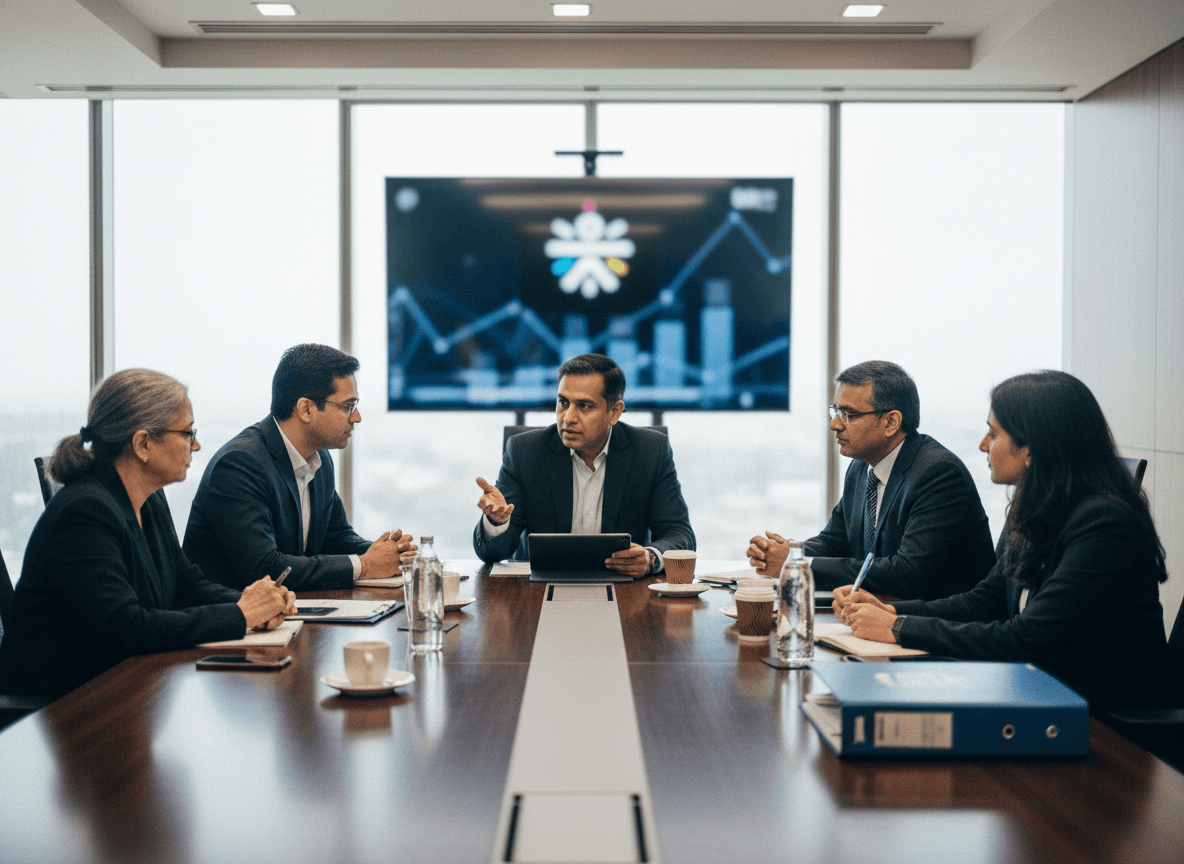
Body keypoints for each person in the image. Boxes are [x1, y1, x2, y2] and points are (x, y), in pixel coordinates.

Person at [834, 370, 1170, 710]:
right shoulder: (1035, 505)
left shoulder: (1105, 524)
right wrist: (890, 610)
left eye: (993, 434)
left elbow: (1024, 639)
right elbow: (986, 601)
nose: (983, 445)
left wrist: (897, 627)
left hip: (1104, 724)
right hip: (1039, 692)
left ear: (1032, 448)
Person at [0, 369, 295, 700]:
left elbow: (187, 586)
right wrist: (241, 615)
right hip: (60, 711)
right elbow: (127, 627)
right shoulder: (84, 513)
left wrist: (257, 602)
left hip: (121, 687)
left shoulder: (148, 498)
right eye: (187, 433)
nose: (196, 445)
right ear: (142, 443)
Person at [747, 360, 995, 599]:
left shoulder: (938, 473)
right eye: (835, 412)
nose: (834, 425)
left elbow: (907, 573)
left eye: (848, 414)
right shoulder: (861, 467)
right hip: (877, 614)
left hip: (934, 627)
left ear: (891, 422)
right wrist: (787, 552)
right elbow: (835, 543)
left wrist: (796, 564)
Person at [183, 344, 412, 591]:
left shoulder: (319, 458)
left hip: (289, 615)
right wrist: (365, 565)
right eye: (348, 406)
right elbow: (265, 568)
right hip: (233, 622)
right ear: (306, 409)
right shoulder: (239, 465)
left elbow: (335, 537)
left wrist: (387, 554)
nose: (356, 418)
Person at [473, 353, 695, 578]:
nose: (568, 417)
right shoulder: (525, 452)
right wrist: (496, 523)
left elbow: (679, 534)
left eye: (585, 406)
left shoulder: (650, 452)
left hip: (625, 588)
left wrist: (650, 557)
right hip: (537, 589)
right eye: (563, 403)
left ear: (614, 412)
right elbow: (493, 552)